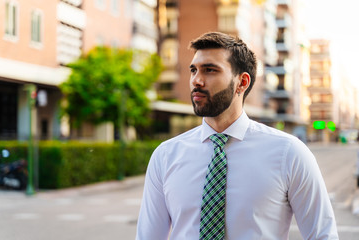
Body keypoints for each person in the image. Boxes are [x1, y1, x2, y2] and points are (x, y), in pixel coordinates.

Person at [136, 32, 338, 239]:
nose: (197, 80)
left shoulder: (289, 153)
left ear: (242, 82)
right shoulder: (166, 155)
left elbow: (322, 234)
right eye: (193, 70)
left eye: (210, 70)